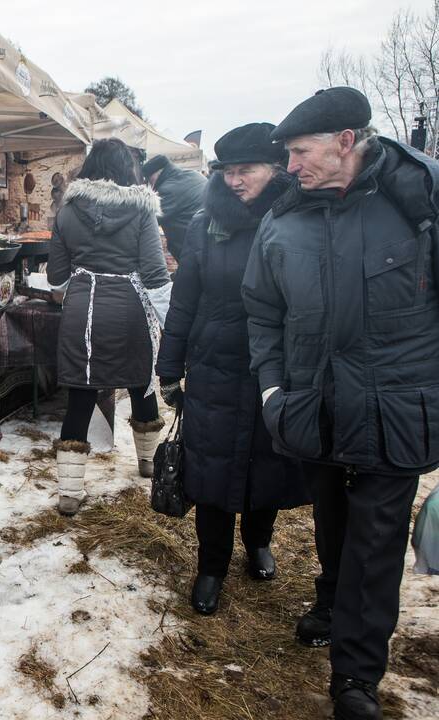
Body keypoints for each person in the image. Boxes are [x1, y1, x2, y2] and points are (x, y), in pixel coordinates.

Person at [242, 87, 439, 720]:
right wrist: (273, 389)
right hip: (314, 408)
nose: (291, 166)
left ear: (346, 142)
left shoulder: (420, 204)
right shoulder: (283, 220)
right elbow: (262, 311)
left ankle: (356, 677)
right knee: (332, 525)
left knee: (376, 544)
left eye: (301, 152)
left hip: (396, 411)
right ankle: (332, 603)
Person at [155, 123, 308, 616]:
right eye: (229, 171)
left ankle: (259, 542)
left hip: (277, 364)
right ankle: (211, 565)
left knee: (267, 457)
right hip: (216, 358)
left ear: (276, 169)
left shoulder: (297, 217)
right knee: (213, 464)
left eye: (249, 170)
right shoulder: (206, 222)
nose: (236, 180)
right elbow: (186, 296)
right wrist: (170, 363)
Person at [48, 138, 171, 516]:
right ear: (127, 169)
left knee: (81, 397)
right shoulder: (141, 209)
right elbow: (154, 274)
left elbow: (56, 279)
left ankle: (70, 492)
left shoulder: (67, 210)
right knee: (139, 381)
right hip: (129, 311)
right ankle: (148, 463)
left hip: (82, 311)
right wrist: (174, 327)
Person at [142, 155, 207, 261]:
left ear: (159, 172)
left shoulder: (167, 190)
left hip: (194, 251)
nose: (150, 185)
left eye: (150, 179)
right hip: (209, 244)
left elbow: (147, 221)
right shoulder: (193, 174)